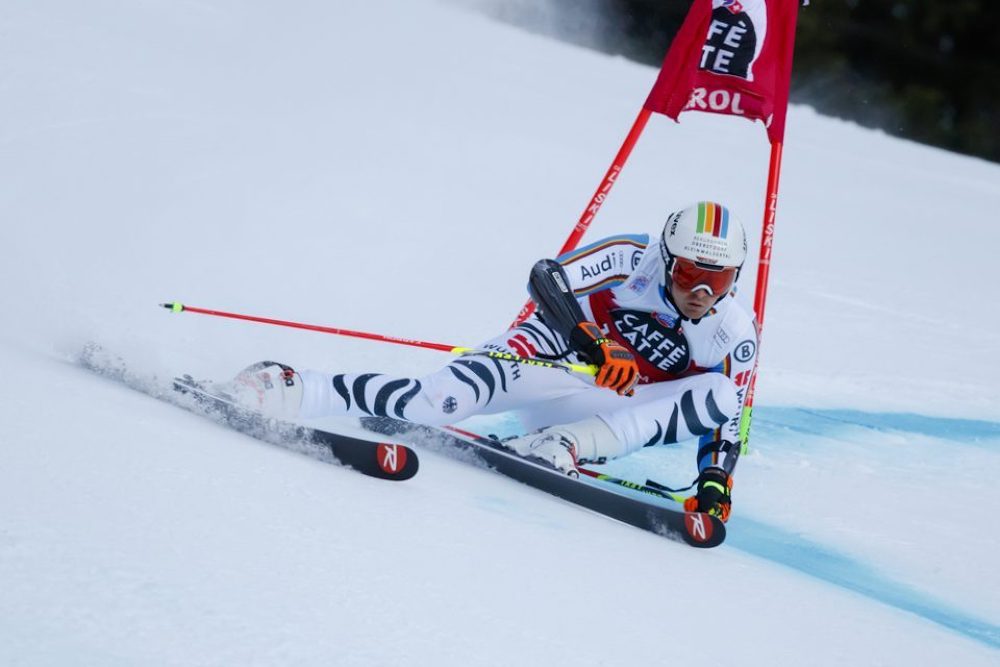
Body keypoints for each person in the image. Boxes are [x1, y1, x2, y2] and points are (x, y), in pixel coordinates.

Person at [229, 202, 758, 522]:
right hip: (552, 361)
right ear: (666, 258)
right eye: (690, 274)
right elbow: (546, 276)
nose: (704, 292)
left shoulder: (734, 332)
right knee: (433, 403)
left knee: (722, 394)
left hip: (604, 414)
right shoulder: (629, 256)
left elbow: (727, 422)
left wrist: (716, 481)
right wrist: (596, 342)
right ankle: (296, 385)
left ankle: (563, 446)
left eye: (723, 279)